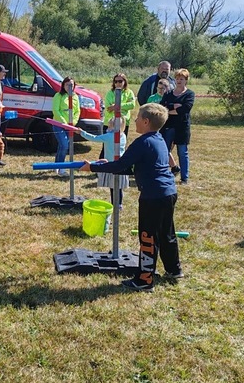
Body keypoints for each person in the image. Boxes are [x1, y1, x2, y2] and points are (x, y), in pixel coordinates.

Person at [80, 103, 182, 292]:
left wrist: (92, 167)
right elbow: (131, 168)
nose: (134, 120)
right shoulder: (159, 139)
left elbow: (120, 166)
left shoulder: (142, 142)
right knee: (166, 233)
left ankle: (144, 281)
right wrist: (104, 164)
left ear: (146, 121)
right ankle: (174, 270)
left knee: (148, 237)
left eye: (137, 117)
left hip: (153, 196)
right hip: (168, 192)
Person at [73, 117, 128, 207]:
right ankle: (119, 204)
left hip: (112, 165)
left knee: (113, 187)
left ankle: (116, 204)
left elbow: (94, 138)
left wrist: (82, 132)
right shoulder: (123, 136)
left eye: (109, 125)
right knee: (118, 187)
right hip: (121, 164)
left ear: (112, 126)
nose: (108, 127)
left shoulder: (109, 136)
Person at [160, 68, 195, 184]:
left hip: (182, 127)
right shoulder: (168, 94)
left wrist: (170, 109)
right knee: (164, 151)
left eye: (182, 79)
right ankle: (163, 174)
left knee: (182, 152)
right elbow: (163, 107)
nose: (179, 81)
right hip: (168, 126)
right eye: (177, 78)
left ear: (186, 80)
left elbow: (185, 109)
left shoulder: (190, 94)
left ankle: (184, 178)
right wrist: (174, 106)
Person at [51, 76, 80, 176]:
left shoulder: (75, 97)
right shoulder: (58, 96)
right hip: (59, 124)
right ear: (63, 85)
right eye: (67, 84)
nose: (69, 87)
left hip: (70, 126)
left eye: (71, 85)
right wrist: (64, 123)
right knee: (64, 145)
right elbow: (56, 110)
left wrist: (73, 122)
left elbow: (77, 111)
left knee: (62, 146)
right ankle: (61, 168)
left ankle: (56, 166)